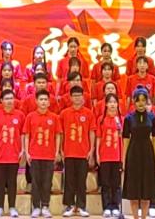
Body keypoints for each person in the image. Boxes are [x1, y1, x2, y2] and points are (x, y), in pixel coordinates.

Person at [122, 87, 155, 219]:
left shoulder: (153, 118)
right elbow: (126, 140)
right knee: (133, 190)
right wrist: (124, 160)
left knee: (146, 190)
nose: (141, 103)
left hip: (148, 154)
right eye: (138, 100)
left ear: (147, 101)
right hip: (133, 154)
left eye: (143, 100)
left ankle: (144, 217)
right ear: (134, 101)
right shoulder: (128, 119)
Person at [25, 88, 62, 218]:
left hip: (49, 155)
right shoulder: (30, 117)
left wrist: (57, 152)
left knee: (47, 181)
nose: (43, 102)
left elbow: (57, 135)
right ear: (36, 101)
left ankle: (45, 206)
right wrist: (27, 152)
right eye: (41, 99)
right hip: (34, 155)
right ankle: (36, 206)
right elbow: (27, 135)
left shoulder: (54, 117)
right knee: (35, 182)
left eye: (46, 99)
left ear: (49, 102)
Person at [61, 86, 95, 217]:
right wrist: (60, 150)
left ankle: (81, 206)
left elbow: (91, 132)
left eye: (79, 95)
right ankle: (69, 206)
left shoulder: (88, 113)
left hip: (83, 153)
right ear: (70, 97)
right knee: (69, 180)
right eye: (74, 95)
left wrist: (91, 150)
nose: (77, 98)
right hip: (69, 152)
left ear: (83, 97)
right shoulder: (64, 113)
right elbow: (61, 133)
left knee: (81, 180)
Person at [0, 89, 26, 218]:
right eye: (6, 98)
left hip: (14, 154)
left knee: (12, 182)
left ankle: (12, 207)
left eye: (11, 98)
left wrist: (22, 150)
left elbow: (22, 134)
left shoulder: (20, 115)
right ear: (1, 100)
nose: (9, 101)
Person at [97, 94, 125, 218]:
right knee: (105, 183)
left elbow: (124, 140)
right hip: (104, 156)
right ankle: (107, 207)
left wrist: (123, 157)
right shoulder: (101, 119)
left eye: (114, 102)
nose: (112, 104)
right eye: (110, 102)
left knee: (116, 184)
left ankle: (115, 206)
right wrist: (97, 154)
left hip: (117, 156)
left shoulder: (121, 120)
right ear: (106, 104)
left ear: (117, 104)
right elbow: (98, 138)